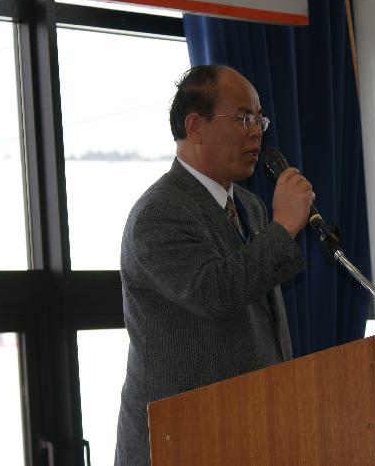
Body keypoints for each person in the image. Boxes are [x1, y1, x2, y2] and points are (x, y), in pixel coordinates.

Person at [114, 65, 315, 466]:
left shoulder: (250, 206)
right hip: (180, 441)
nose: (256, 132)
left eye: (259, 120)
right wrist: (284, 228)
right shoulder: (159, 212)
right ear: (195, 127)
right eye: (242, 118)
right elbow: (214, 293)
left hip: (250, 431)